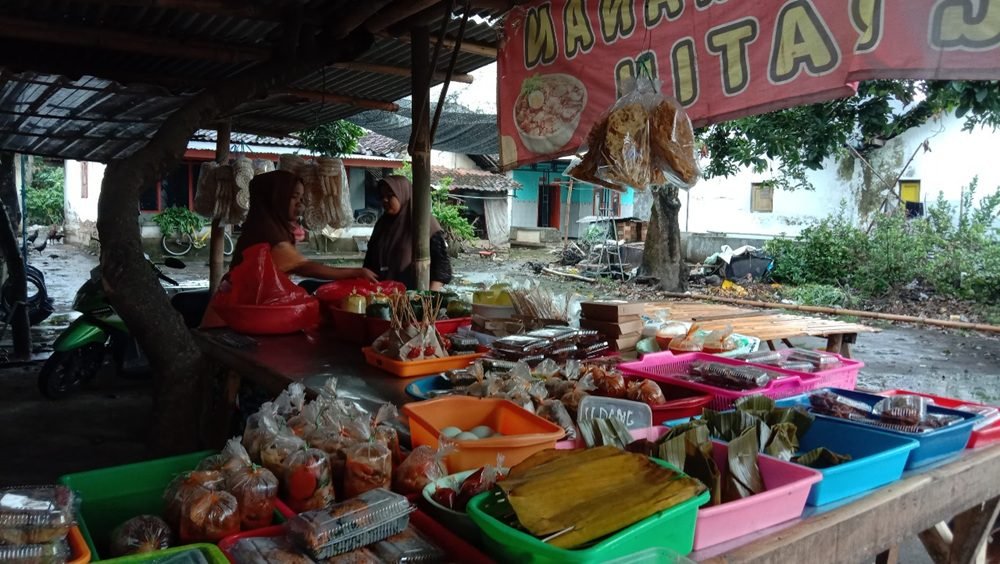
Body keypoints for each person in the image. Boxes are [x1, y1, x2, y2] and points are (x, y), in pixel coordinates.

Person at [231, 169, 377, 282]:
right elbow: (302, 267)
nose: (300, 204)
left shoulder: (270, 226)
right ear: (276, 198)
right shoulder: (267, 232)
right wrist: (355, 272)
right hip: (234, 313)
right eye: (293, 197)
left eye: (301, 198)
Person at [364, 175, 453, 291]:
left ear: (403, 194)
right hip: (382, 295)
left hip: (415, 296)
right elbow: (369, 262)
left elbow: (441, 267)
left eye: (390, 195)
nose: (385, 200)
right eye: (382, 196)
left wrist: (429, 299)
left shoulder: (424, 223)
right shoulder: (382, 224)